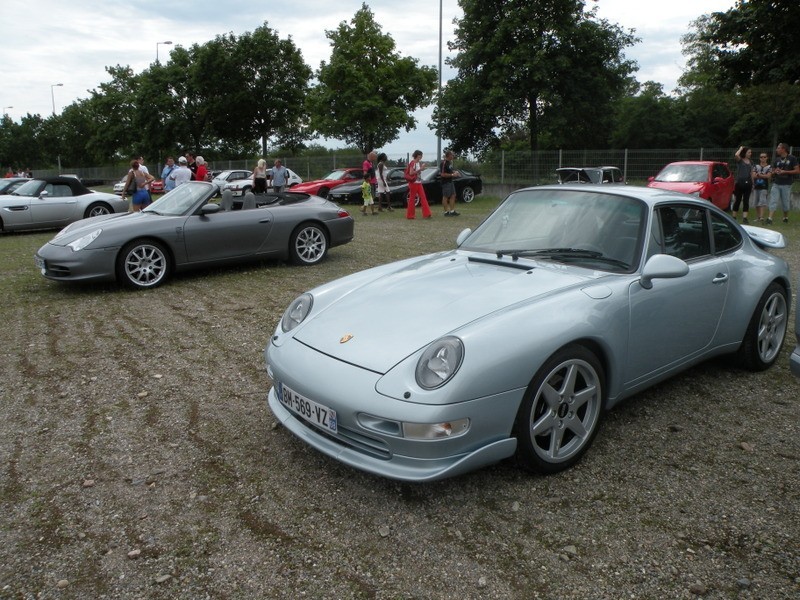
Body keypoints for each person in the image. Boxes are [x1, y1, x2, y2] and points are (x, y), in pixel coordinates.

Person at [767, 142, 799, 224]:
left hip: (787, 184)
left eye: (778, 148)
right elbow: (772, 171)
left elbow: (797, 170)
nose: (776, 149)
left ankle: (785, 217)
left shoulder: (792, 158)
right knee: (773, 200)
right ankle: (769, 219)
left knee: (785, 203)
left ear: (783, 149)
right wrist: (775, 171)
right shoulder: (777, 159)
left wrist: (785, 171)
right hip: (776, 183)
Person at [405, 150, 432, 219]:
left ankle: (427, 214)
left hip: (418, 182)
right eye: (421, 155)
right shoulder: (413, 163)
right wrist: (420, 169)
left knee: (423, 197)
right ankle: (410, 215)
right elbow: (411, 173)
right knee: (412, 199)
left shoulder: (418, 163)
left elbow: (417, 172)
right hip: (413, 183)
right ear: (417, 155)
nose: (421, 156)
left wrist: (421, 169)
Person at [731, 146, 753, 223]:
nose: (750, 154)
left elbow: (751, 173)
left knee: (746, 201)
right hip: (740, 183)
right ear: (745, 153)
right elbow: (736, 155)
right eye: (749, 152)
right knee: (738, 200)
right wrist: (740, 149)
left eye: (750, 152)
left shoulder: (750, 162)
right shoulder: (740, 160)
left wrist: (752, 183)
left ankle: (745, 218)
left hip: (748, 183)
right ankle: (734, 216)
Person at [752, 152, 772, 223]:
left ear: (767, 158)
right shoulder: (756, 166)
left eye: (764, 157)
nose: (763, 158)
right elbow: (753, 175)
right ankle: (758, 217)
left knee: (762, 202)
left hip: (764, 187)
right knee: (756, 203)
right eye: (761, 157)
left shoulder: (769, 167)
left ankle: (761, 217)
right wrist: (763, 175)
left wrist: (759, 175)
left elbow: (769, 176)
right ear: (759, 158)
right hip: (756, 187)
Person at [440, 150, 460, 216]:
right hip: (446, 183)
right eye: (452, 155)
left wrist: (455, 172)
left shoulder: (449, 163)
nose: (453, 156)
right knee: (445, 196)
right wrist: (452, 175)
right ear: (448, 156)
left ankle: (452, 211)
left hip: (450, 182)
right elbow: (442, 174)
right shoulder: (444, 163)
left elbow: (450, 171)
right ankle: (446, 212)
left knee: (453, 195)